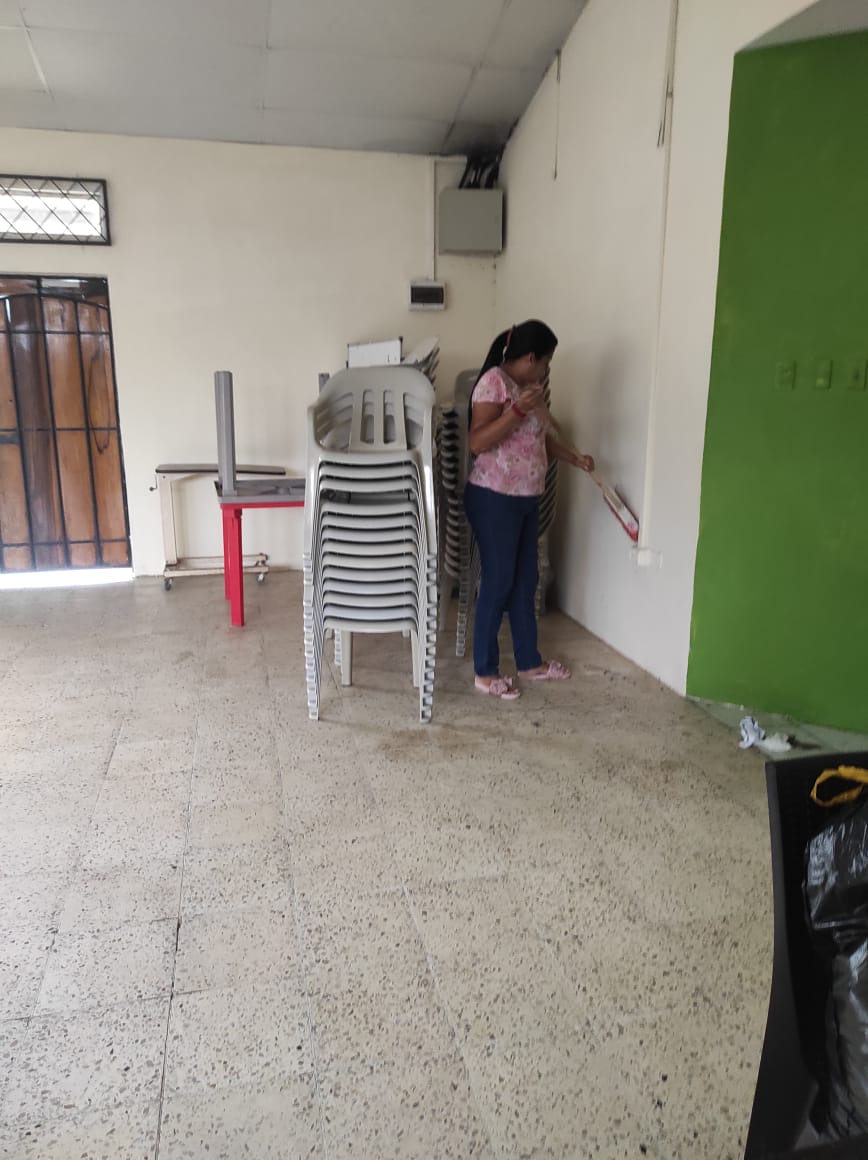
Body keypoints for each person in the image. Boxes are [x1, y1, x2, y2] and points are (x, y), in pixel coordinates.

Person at [464, 319, 594, 700]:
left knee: (526, 580)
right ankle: (484, 671)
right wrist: (516, 411)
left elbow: (537, 441)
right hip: (494, 497)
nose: (546, 370)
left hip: (526, 497)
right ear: (532, 358)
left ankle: (528, 662)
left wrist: (574, 458)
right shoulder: (494, 383)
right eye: (546, 362)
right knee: (499, 580)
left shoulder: (529, 391)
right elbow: (477, 442)